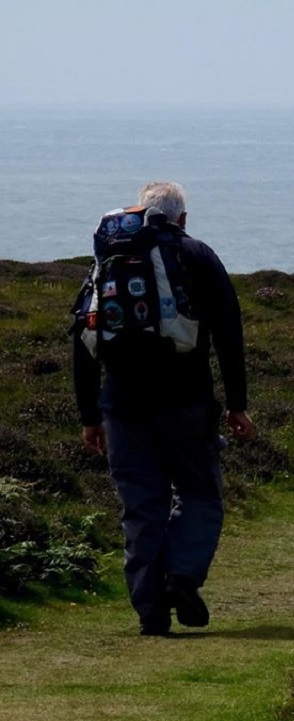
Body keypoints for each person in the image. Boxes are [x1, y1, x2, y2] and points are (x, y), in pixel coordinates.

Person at [72, 181, 256, 636]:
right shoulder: (197, 254)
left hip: (121, 405)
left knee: (141, 507)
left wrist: (89, 415)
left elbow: (83, 336)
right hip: (186, 401)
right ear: (182, 219)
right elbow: (230, 333)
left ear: (139, 212)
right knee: (199, 494)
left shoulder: (107, 260)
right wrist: (237, 404)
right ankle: (183, 576)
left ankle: (150, 612)